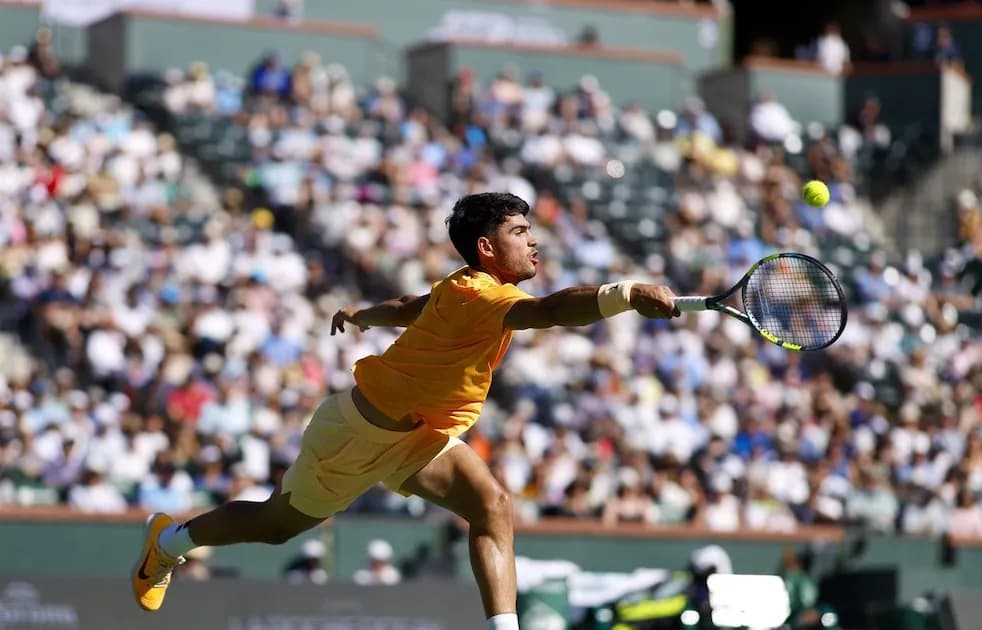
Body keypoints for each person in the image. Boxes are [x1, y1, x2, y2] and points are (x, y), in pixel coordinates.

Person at [130, 192, 681, 630]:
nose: (534, 244)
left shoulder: (460, 288)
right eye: (519, 233)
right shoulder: (483, 297)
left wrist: (363, 315)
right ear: (486, 248)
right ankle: (170, 543)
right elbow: (554, 309)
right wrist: (625, 293)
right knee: (276, 527)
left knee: (493, 505)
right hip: (354, 436)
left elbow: (411, 307)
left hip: (419, 436)